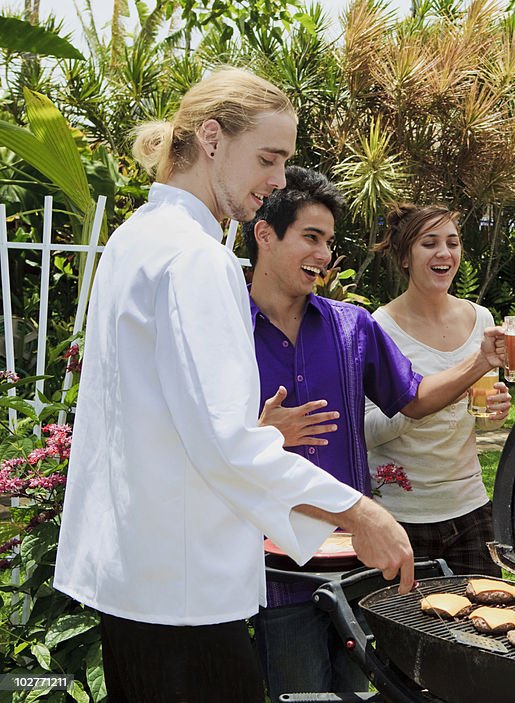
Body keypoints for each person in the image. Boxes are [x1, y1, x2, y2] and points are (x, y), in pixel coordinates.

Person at [53, 69, 415, 703]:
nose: (277, 181)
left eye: (284, 162)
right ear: (212, 138)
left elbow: (164, 418)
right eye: (268, 159)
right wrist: (358, 511)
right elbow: (225, 442)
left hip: (134, 575)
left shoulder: (133, 239)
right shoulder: (198, 257)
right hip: (185, 591)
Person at [244, 170, 508, 700]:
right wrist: (256, 433)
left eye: (328, 242)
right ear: (265, 235)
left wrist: (478, 362)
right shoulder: (225, 328)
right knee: (300, 694)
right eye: (310, 238)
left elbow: (413, 398)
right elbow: (195, 432)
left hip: (355, 561)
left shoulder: (351, 326)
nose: (322, 255)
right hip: (274, 569)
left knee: (363, 691)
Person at [364, 204, 512, 578]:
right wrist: (427, 398)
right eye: (429, 243)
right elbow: (366, 431)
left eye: (452, 242)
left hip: (471, 508)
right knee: (410, 634)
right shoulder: (378, 328)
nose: (444, 253)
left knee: (485, 626)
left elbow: (477, 423)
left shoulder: (481, 319)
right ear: (404, 258)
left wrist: (492, 414)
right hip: (402, 516)